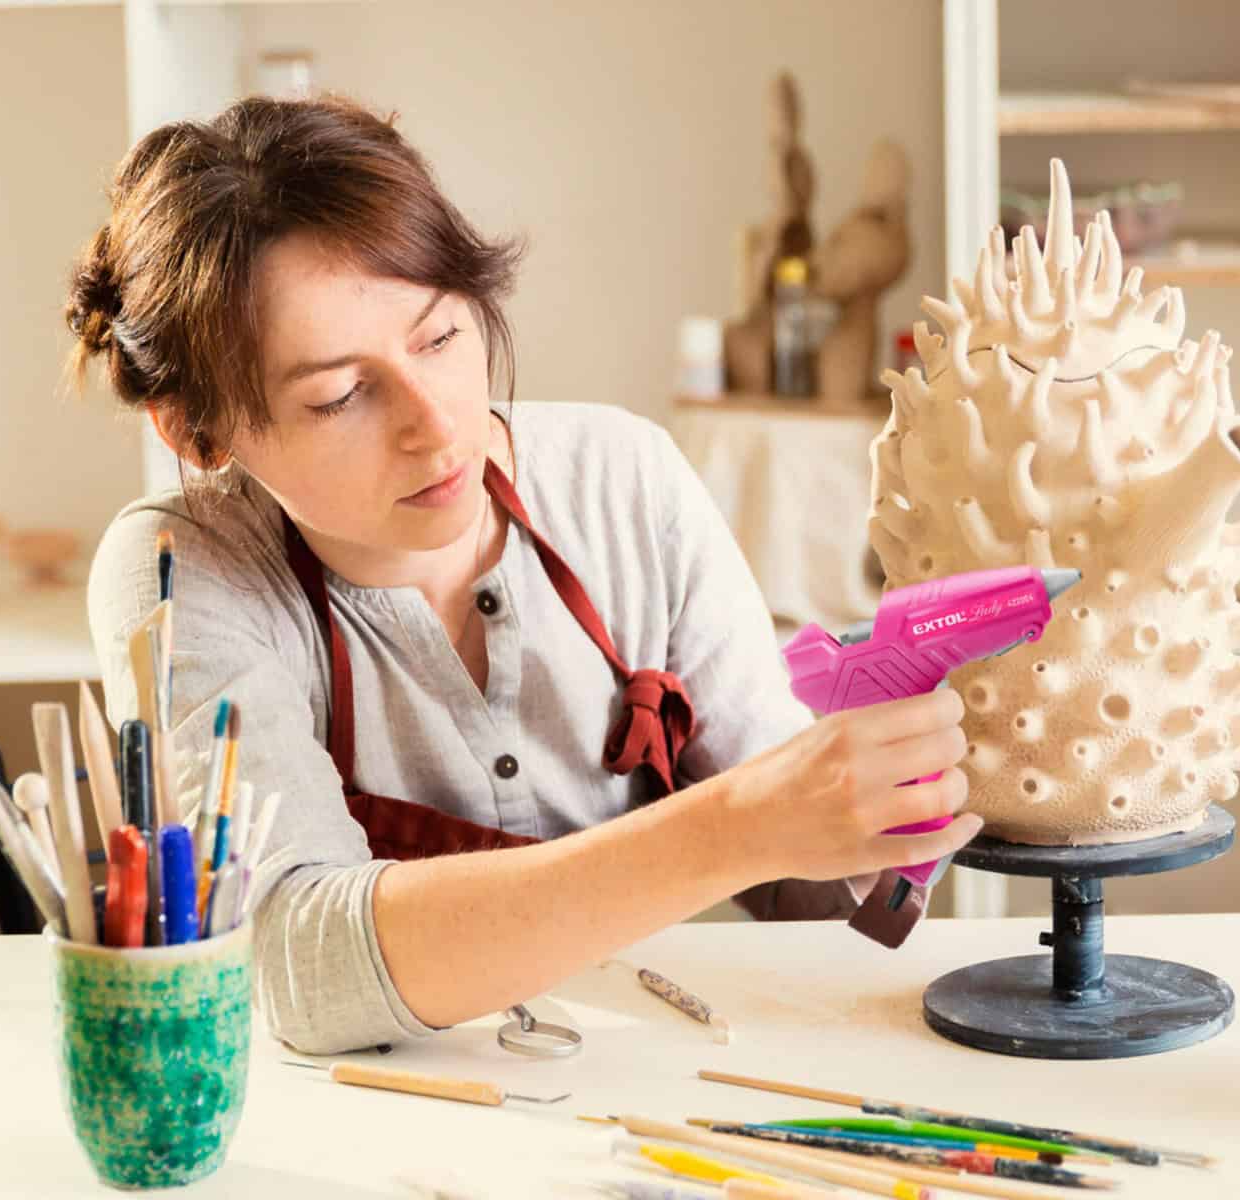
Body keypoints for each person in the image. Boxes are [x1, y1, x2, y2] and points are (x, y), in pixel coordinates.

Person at [68, 95, 977, 1054]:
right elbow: (304, 967)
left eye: (440, 338)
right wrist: (741, 826)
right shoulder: (181, 573)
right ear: (196, 433)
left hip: (652, 1073)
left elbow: (807, 867)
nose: (435, 423)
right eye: (339, 396)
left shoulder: (625, 477)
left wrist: (892, 810)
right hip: (369, 1107)